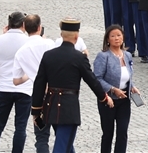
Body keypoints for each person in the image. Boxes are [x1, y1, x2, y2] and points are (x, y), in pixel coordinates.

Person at [32, 19, 112, 153]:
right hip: (68, 109)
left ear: (61, 35)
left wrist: (36, 110)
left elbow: (39, 84)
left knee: (67, 147)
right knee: (62, 148)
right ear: (76, 36)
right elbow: (92, 80)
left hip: (51, 106)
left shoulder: (48, 55)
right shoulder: (79, 57)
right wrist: (104, 98)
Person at [0, 11, 32, 153]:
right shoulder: (28, 42)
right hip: (24, 89)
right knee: (20, 126)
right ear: (23, 24)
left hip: (4, 88)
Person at [11, 15, 55, 153]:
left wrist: (29, 75)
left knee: (41, 137)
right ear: (39, 27)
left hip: (38, 97)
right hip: (56, 93)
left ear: (24, 28)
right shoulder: (50, 44)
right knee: (63, 134)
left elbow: (16, 81)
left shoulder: (21, 52)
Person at [93, 26, 139, 153]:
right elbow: (97, 78)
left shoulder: (127, 55)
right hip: (108, 100)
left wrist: (132, 86)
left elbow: (128, 75)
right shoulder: (103, 56)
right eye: (113, 36)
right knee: (108, 133)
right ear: (108, 39)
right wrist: (112, 89)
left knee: (122, 132)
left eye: (118, 35)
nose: (116, 38)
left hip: (124, 99)